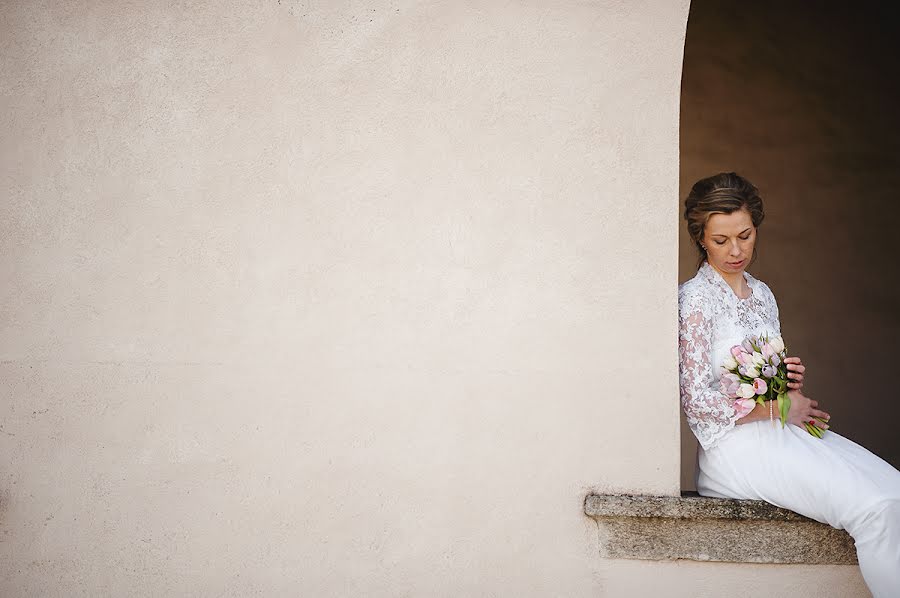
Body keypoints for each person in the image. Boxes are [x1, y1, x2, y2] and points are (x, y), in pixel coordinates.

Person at [678, 172, 900, 597]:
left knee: (895, 492)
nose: (736, 250)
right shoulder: (693, 300)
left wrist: (786, 387)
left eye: (744, 235)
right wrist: (777, 408)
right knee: (876, 509)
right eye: (720, 240)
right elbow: (696, 402)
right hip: (734, 449)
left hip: (782, 431)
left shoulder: (762, 294)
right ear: (701, 239)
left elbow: (766, 381)